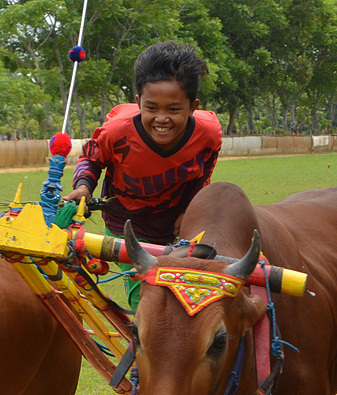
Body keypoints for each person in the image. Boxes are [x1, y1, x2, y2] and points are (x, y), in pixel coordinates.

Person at [63, 40, 222, 310]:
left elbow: (202, 172)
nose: (162, 118)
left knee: (185, 292)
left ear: (193, 106)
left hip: (176, 226)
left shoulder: (208, 134)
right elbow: (91, 158)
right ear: (138, 103)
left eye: (173, 109)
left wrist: (188, 211)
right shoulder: (117, 131)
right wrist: (83, 188)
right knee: (146, 296)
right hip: (128, 224)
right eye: (151, 108)